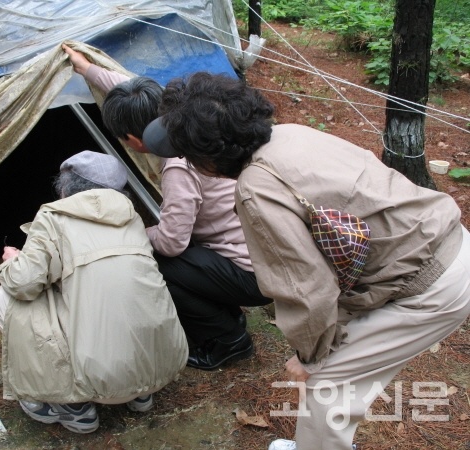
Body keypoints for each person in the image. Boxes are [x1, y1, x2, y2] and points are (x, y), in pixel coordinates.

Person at [147, 71, 470, 450]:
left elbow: (306, 289)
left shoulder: (257, 187)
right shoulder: (293, 134)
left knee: (328, 388)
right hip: (449, 244)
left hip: (430, 285)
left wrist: (310, 358)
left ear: (209, 155)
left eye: (188, 155)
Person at [61, 44, 273, 371]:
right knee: (180, 257)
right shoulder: (188, 124)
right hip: (265, 254)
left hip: (252, 273)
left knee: (155, 263)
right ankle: (226, 317)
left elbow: (173, 242)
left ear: (134, 139)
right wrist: (87, 68)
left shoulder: (178, 167)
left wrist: (132, 233)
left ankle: (229, 340)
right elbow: (138, 93)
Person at [0, 150, 188, 434]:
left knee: (4, 299)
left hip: (99, 380)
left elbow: (23, 283)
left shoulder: (53, 217)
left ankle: (73, 407)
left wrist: (12, 261)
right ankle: (140, 395)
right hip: (161, 367)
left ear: (66, 185)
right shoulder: (131, 217)